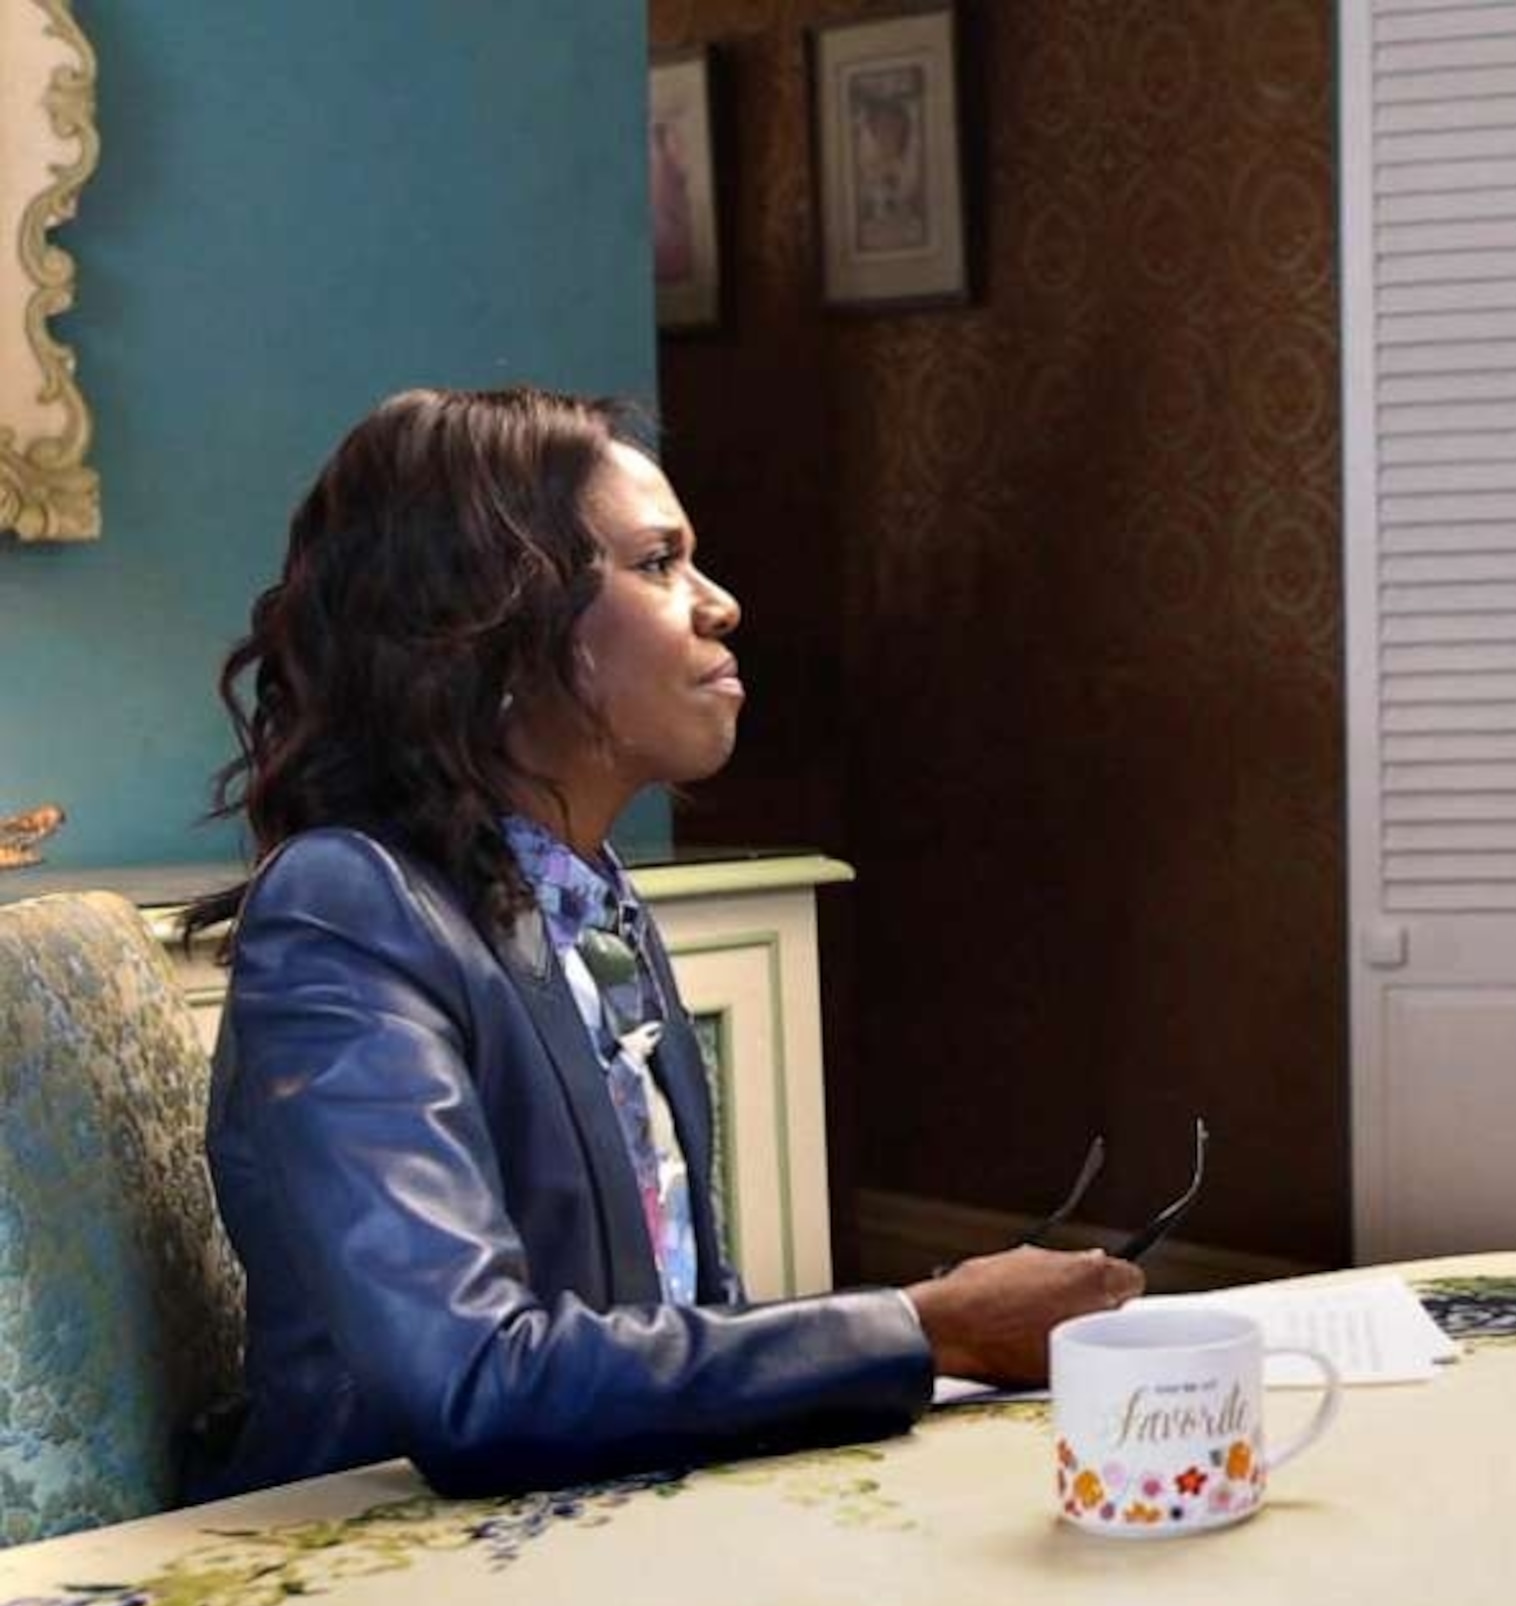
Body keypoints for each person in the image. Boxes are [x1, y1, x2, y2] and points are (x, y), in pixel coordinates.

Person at [183, 386, 1141, 1501]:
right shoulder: (349, 910)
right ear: (493, 627)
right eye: (656, 565)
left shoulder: (594, 902)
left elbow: (680, 1322)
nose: (721, 605)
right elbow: (471, 1386)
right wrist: (929, 1329)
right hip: (387, 1572)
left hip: (606, 1516)